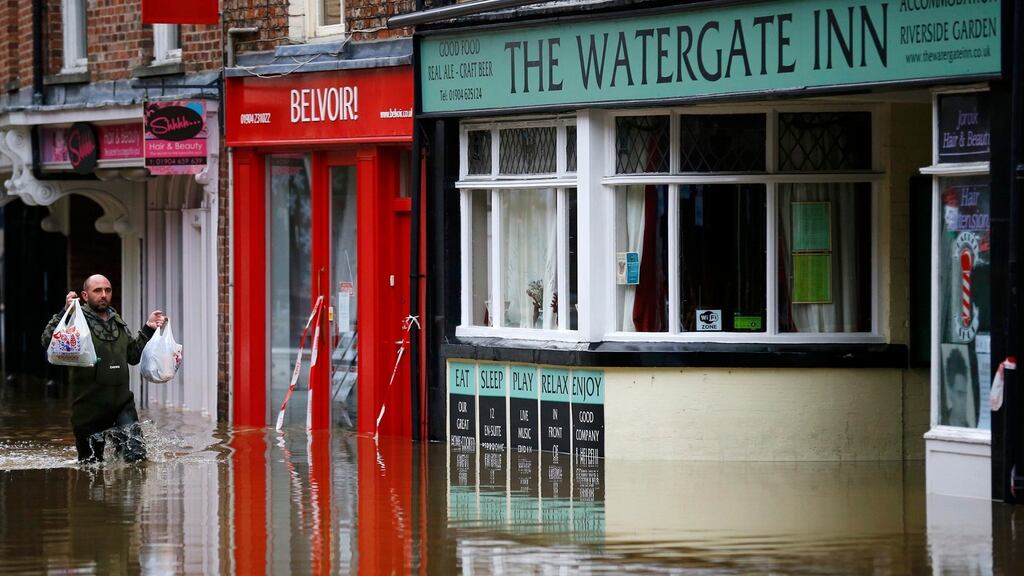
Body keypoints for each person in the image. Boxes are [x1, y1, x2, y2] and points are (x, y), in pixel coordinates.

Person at [41, 274, 166, 464]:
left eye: (107, 290)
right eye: (97, 290)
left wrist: (147, 329)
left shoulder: (117, 322)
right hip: (88, 409)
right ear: (85, 295)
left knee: (137, 459)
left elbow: (132, 356)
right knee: (91, 468)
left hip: (122, 405)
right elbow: (47, 341)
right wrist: (64, 312)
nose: (103, 295)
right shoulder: (76, 321)